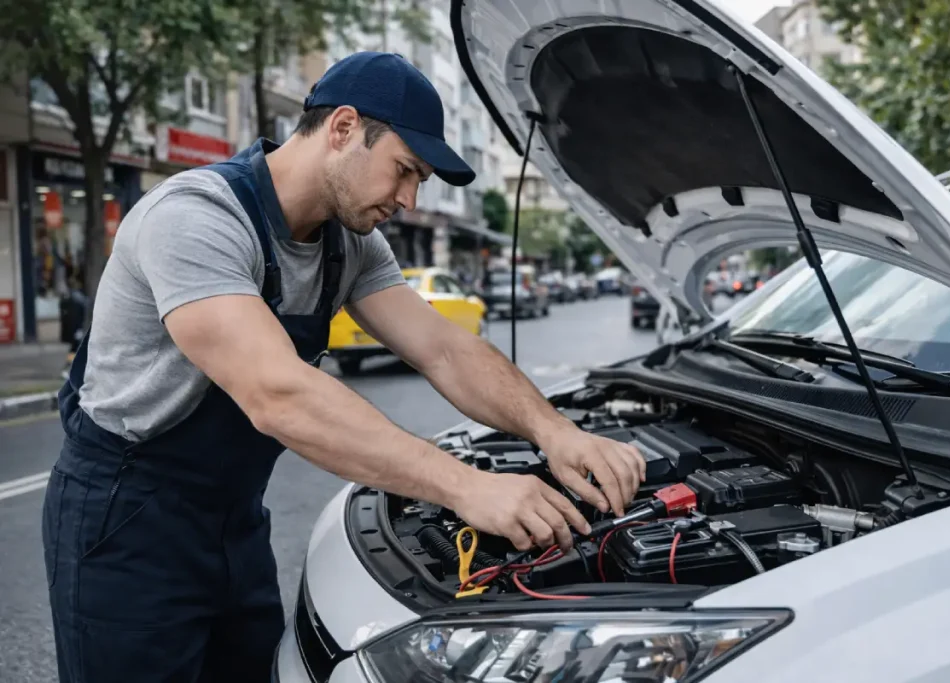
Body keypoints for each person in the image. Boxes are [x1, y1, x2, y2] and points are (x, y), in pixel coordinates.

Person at [41, 51, 645, 682]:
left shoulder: (350, 242)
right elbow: (278, 394)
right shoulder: (196, 218)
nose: (409, 198)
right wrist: (468, 486)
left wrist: (555, 432)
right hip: (125, 521)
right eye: (405, 170)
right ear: (343, 128)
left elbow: (444, 348)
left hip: (232, 520)